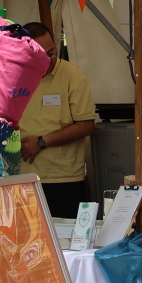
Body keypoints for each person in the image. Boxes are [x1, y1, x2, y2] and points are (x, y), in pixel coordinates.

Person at [17, 22, 95, 219]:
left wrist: (42, 142)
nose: (50, 60)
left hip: (63, 179)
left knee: (64, 237)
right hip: (21, 177)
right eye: (42, 55)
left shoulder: (71, 76)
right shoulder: (14, 75)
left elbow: (86, 125)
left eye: (52, 52)